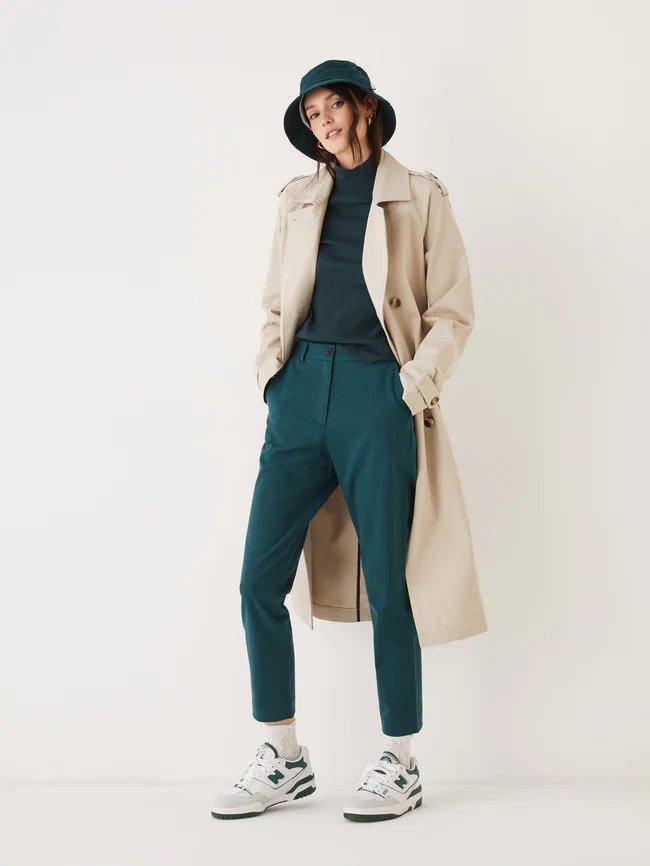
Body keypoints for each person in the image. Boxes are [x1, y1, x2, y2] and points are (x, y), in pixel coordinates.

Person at [211, 59, 487, 823]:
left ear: (363, 108)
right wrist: (275, 377)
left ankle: (400, 760)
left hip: (377, 390)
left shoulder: (419, 195)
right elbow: (276, 303)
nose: (323, 123)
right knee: (257, 578)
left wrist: (411, 387)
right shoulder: (297, 199)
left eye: (332, 106)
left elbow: (453, 308)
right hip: (300, 394)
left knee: (391, 580)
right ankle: (284, 754)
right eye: (311, 114)